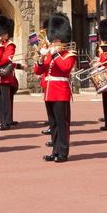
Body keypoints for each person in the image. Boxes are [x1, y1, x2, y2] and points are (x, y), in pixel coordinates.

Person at [36, 13, 75, 162]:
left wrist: (55, 55)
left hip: (60, 92)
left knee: (62, 123)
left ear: (63, 41)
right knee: (53, 123)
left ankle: (63, 152)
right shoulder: (51, 54)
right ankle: (55, 150)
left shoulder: (69, 54)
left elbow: (65, 68)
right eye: (53, 41)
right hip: (49, 92)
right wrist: (40, 60)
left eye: (57, 41)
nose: (54, 44)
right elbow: (39, 71)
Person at [0, 16, 20, 130]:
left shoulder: (10, 45)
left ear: (6, 34)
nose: (0, 36)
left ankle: (6, 121)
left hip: (5, 76)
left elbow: (6, 58)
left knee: (5, 100)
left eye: (2, 34)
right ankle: (0, 119)